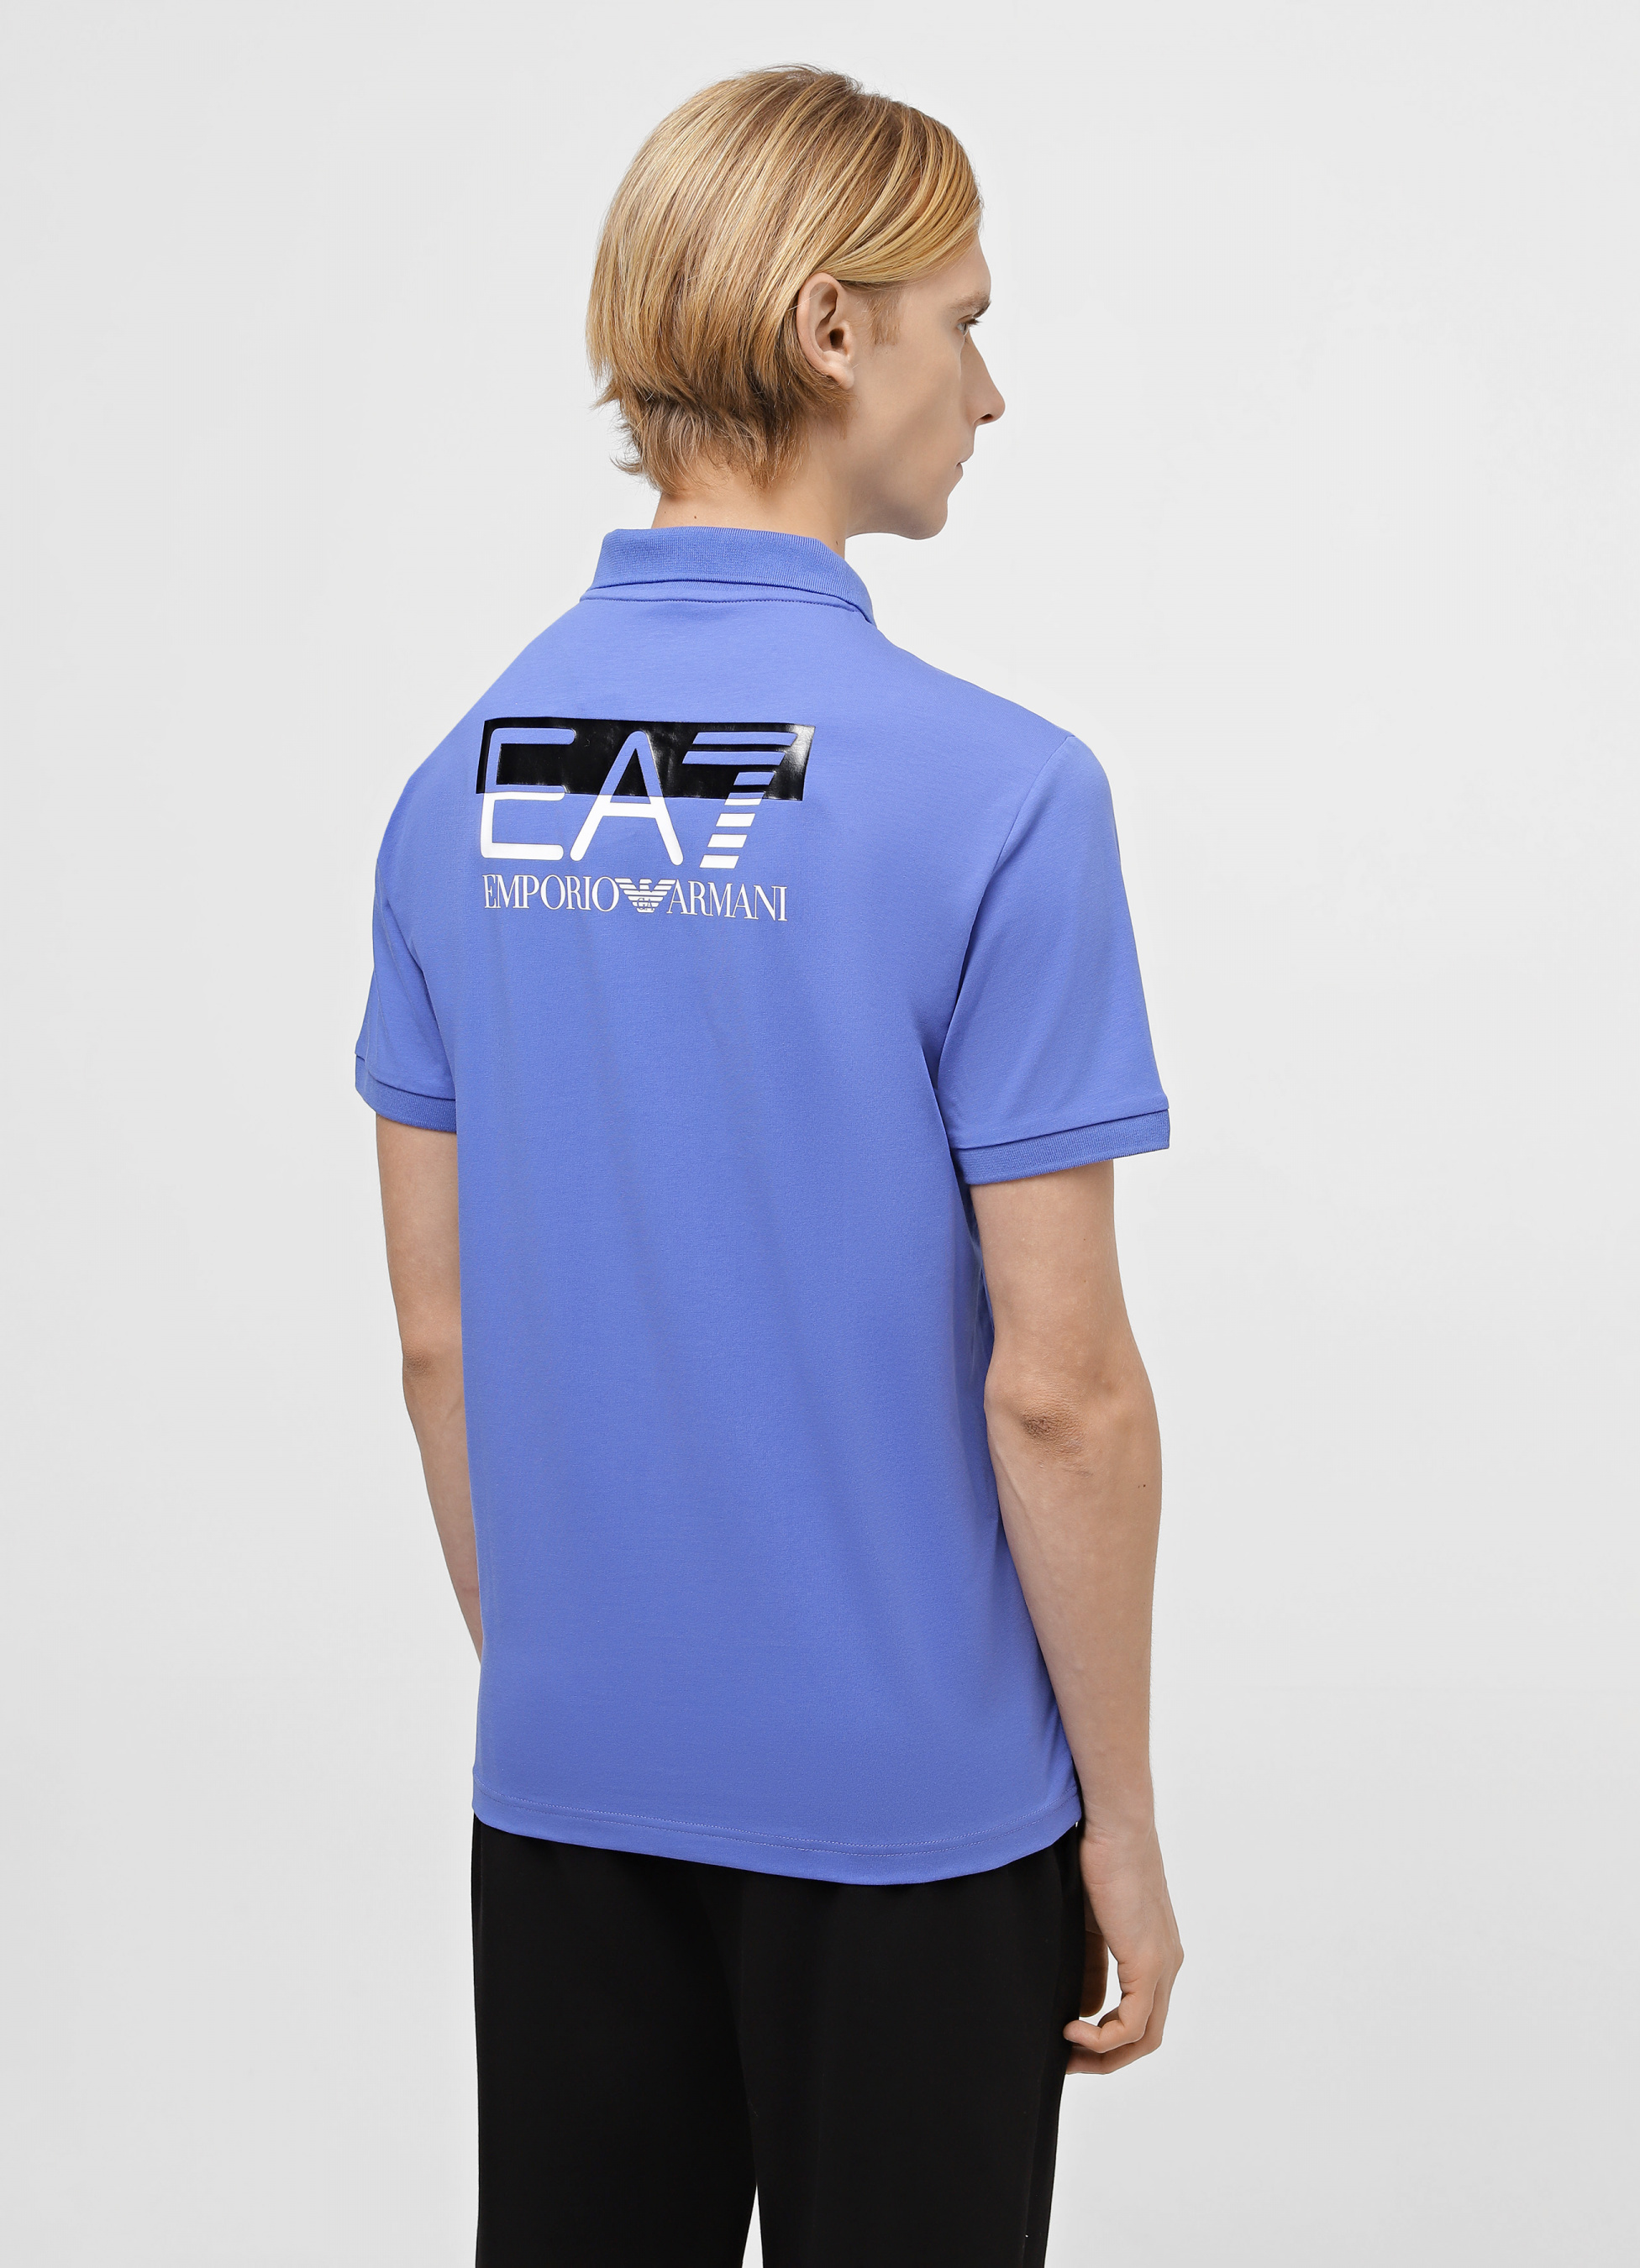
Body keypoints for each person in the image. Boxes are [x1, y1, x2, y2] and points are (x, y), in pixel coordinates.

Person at [357, 65, 1183, 2268]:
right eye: (962, 323)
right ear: (833, 329)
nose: (987, 392)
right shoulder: (1001, 796)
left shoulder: (455, 786)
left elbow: (439, 1341)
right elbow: (1061, 1391)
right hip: (912, 1810)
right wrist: (1116, 1820)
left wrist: (581, 1682)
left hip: (565, 1780)